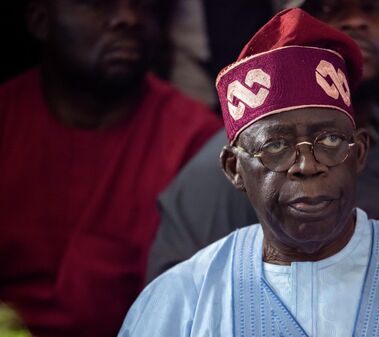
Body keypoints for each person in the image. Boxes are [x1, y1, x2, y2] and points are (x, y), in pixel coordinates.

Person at [121, 9, 379, 336]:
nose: (308, 166)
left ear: (359, 152)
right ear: (234, 169)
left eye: (329, 141)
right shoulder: (182, 303)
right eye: (275, 147)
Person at [0, 0, 221, 336]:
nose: (129, 19)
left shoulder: (199, 145)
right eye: (99, 4)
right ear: (40, 20)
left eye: (145, 6)